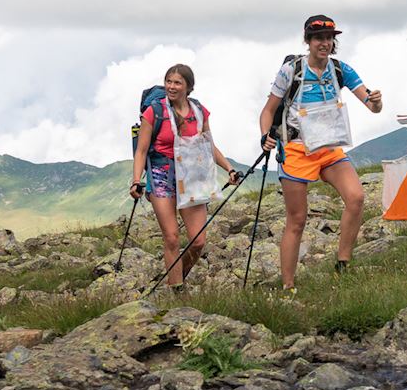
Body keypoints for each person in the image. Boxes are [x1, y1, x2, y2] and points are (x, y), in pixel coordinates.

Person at [258, 15, 382, 288]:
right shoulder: (291, 70)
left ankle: (343, 264)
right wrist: (265, 136)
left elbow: (371, 106)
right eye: (318, 38)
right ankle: (288, 286)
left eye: (328, 39)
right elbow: (268, 110)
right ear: (308, 41)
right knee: (297, 220)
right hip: (297, 148)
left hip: (328, 147)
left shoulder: (340, 70)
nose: (324, 43)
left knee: (356, 197)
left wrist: (376, 102)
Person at [131, 64, 240, 288]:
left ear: (188, 87)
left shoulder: (199, 112)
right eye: (168, 81)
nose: (171, 86)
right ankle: (176, 289)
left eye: (177, 82)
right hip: (162, 174)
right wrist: (135, 180)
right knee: (171, 237)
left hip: (191, 178)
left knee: (198, 241)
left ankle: (177, 273)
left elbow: (209, 145)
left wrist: (228, 168)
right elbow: (141, 150)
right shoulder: (154, 112)